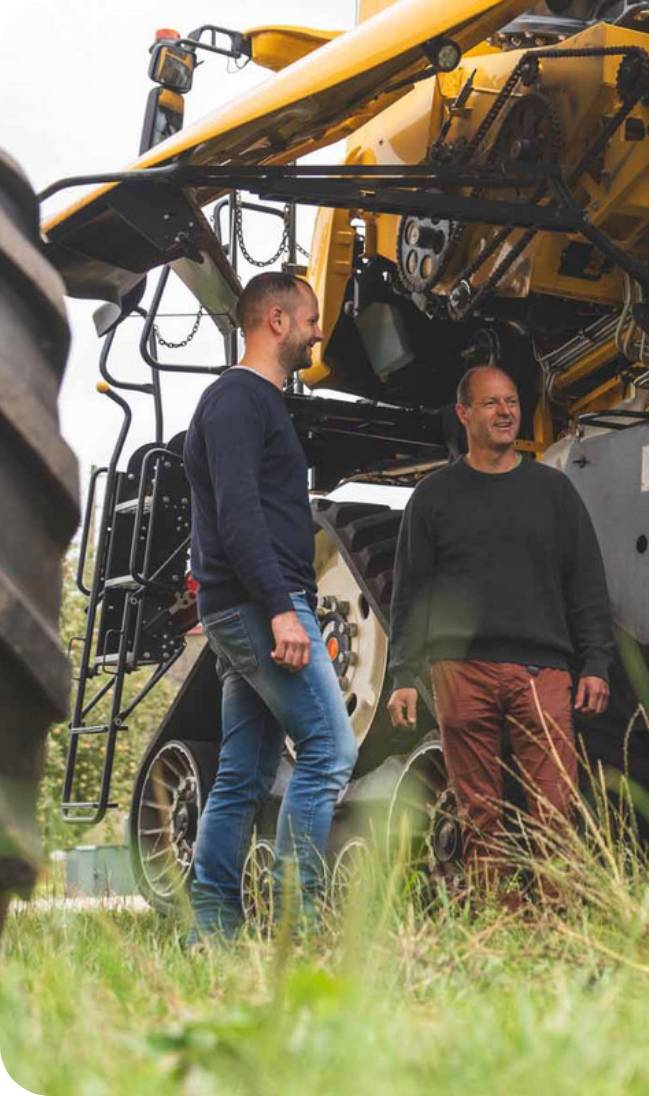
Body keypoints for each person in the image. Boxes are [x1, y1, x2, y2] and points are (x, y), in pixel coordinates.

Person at [387, 365, 614, 898]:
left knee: (555, 805)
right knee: (478, 811)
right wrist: (401, 672)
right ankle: (499, 923)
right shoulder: (433, 496)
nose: (506, 412)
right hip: (461, 672)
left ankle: (557, 925)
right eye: (491, 403)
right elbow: (412, 594)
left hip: (543, 670)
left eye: (511, 401)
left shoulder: (552, 491)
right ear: (464, 414)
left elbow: (586, 583)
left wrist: (597, 662)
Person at [183, 271, 357, 939]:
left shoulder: (256, 404)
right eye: (311, 318)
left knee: (244, 774)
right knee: (328, 750)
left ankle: (213, 933)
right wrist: (283, 608)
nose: (318, 332)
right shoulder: (237, 401)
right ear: (276, 322)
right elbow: (239, 517)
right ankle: (297, 922)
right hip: (260, 607)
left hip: (250, 604)